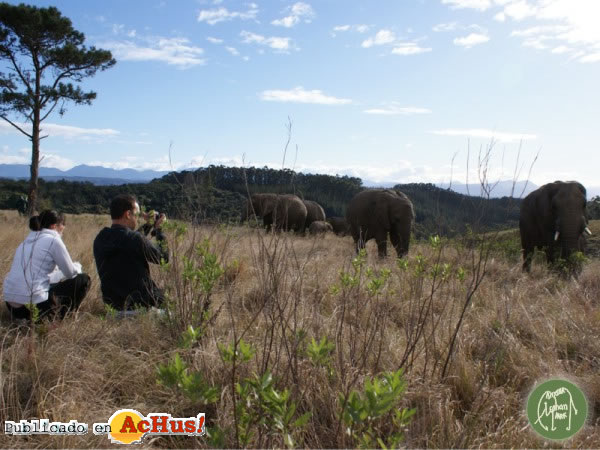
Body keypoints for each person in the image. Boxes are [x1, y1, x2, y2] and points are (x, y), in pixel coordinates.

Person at [3, 210, 91, 321]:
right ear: (54, 226)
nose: (63, 229)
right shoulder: (54, 239)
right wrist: (77, 267)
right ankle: (58, 318)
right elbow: (70, 273)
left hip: (11, 306)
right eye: (62, 226)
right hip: (34, 306)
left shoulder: (25, 241)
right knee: (84, 279)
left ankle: (22, 319)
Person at [93, 194, 168, 311]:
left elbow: (128, 240)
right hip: (142, 305)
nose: (138, 219)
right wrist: (159, 230)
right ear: (128, 214)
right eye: (137, 214)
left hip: (113, 306)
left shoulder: (100, 238)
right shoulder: (133, 239)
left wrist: (148, 225)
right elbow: (163, 258)